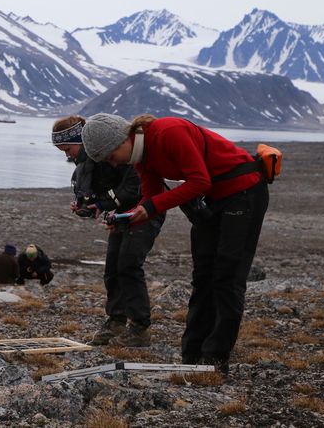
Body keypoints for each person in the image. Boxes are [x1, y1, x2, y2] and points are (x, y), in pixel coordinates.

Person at [81, 113, 269, 375]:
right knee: (202, 276)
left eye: (111, 156)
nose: (113, 164)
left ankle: (215, 359)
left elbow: (198, 180)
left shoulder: (168, 132)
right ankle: (192, 355)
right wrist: (126, 220)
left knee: (227, 276)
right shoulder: (141, 159)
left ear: (123, 140)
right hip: (213, 200)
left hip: (244, 192)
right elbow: (152, 197)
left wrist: (149, 207)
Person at [53, 115, 164, 347]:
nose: (67, 155)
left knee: (129, 264)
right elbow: (95, 196)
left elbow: (135, 184)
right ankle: (116, 320)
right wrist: (87, 207)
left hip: (146, 208)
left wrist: (103, 204)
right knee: (113, 268)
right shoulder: (87, 166)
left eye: (68, 148)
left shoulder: (114, 150)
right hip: (120, 215)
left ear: (81, 142)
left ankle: (139, 327)